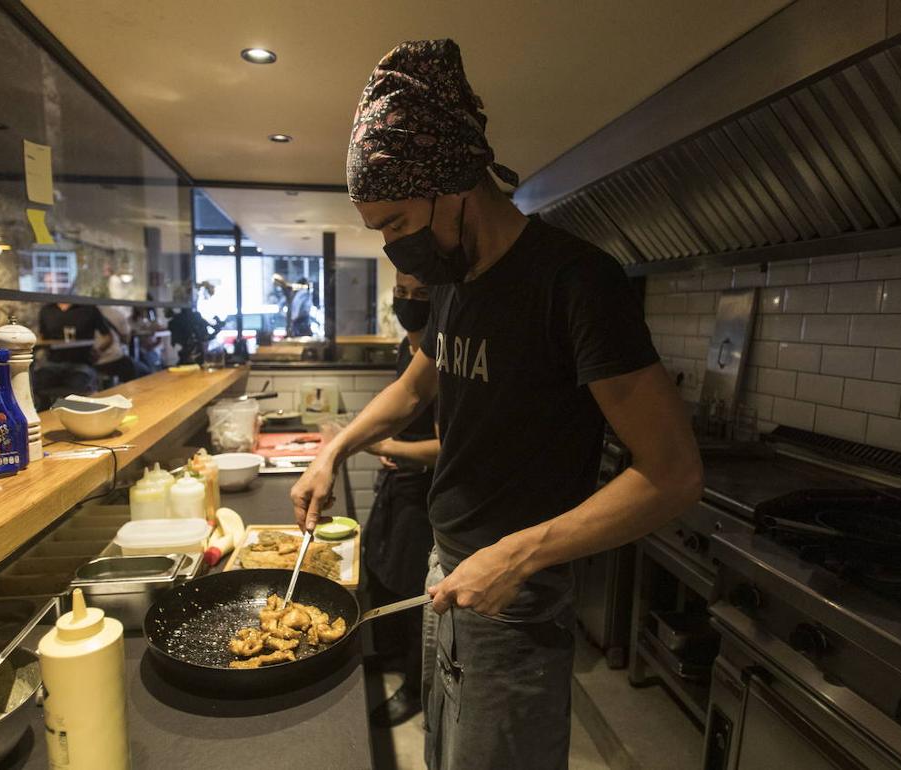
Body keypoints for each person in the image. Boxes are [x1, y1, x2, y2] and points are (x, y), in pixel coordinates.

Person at [290, 39, 702, 770]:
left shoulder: (576, 283)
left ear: (452, 184)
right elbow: (416, 385)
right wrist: (333, 449)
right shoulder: (455, 278)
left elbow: (672, 474)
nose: (393, 250)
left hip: (517, 595)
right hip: (446, 570)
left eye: (395, 224)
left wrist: (518, 554)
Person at [361, 272, 440, 727]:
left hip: (426, 492)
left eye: (422, 293)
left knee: (414, 590)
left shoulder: (442, 359)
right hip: (399, 486)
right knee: (382, 569)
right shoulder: (404, 350)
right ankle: (390, 658)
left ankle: (414, 687)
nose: (409, 302)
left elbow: (445, 447)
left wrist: (387, 448)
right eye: (402, 293)